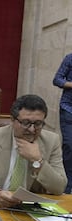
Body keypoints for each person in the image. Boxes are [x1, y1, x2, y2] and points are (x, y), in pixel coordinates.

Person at [0, 94, 67, 208]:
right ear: (13, 120)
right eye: (26, 123)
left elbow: (59, 187)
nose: (32, 129)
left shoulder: (52, 141)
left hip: (30, 208)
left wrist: (38, 160)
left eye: (38, 124)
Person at [53, 54, 72, 194]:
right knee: (69, 145)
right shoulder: (70, 58)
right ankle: (66, 186)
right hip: (68, 109)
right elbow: (57, 80)